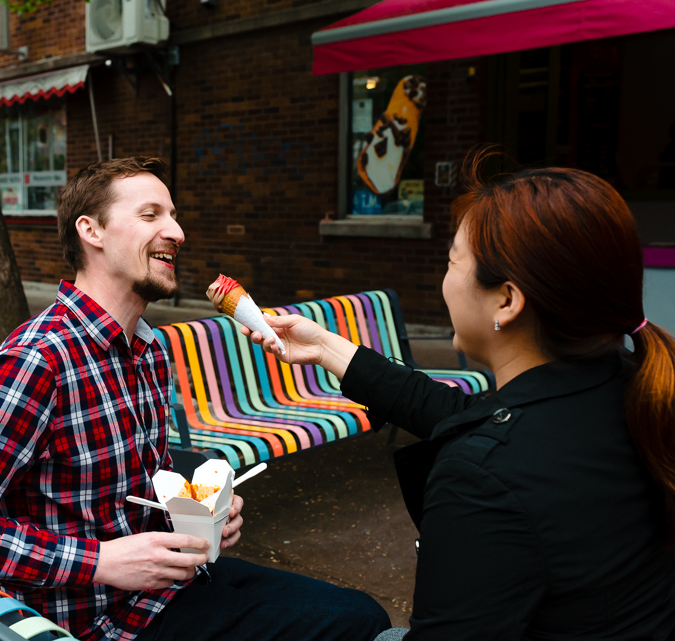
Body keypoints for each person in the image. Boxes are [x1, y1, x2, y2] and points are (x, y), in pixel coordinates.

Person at [0, 157, 390, 641]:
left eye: (174, 216)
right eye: (151, 215)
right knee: (356, 625)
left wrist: (200, 513)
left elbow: (134, 488)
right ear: (91, 231)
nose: (176, 232)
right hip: (100, 623)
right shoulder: (39, 360)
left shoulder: (149, 348)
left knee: (360, 611)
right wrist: (101, 561)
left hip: (173, 586)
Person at [244, 153, 675, 639]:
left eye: (453, 261)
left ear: (506, 301)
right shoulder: (632, 390)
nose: (444, 278)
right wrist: (325, 346)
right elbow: (461, 413)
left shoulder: (484, 478)